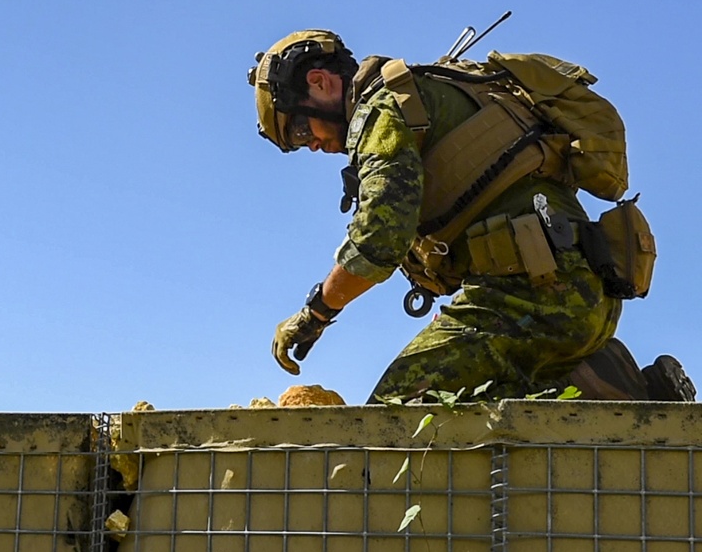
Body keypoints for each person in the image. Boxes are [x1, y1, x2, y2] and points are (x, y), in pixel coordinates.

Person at [247, 29, 695, 402]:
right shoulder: (433, 93)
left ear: (321, 83)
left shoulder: (384, 111)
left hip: (529, 299)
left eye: (300, 129)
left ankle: (598, 382)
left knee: (396, 414)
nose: (311, 145)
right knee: (489, 406)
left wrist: (315, 313)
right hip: (580, 296)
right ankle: (606, 382)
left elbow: (379, 238)